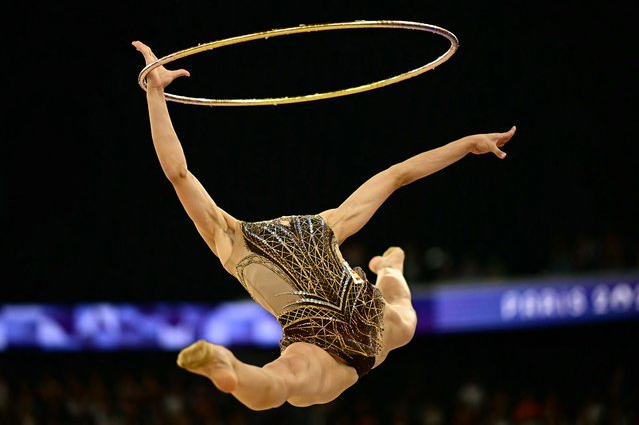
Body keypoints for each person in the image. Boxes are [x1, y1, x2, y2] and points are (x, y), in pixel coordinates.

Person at [132, 40, 516, 410]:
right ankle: (389, 267)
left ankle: (231, 367)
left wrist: (156, 94)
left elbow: (178, 174)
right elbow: (397, 175)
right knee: (402, 314)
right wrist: (466, 144)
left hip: (325, 343)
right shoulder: (324, 224)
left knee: (286, 384)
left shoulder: (232, 236)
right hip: (368, 322)